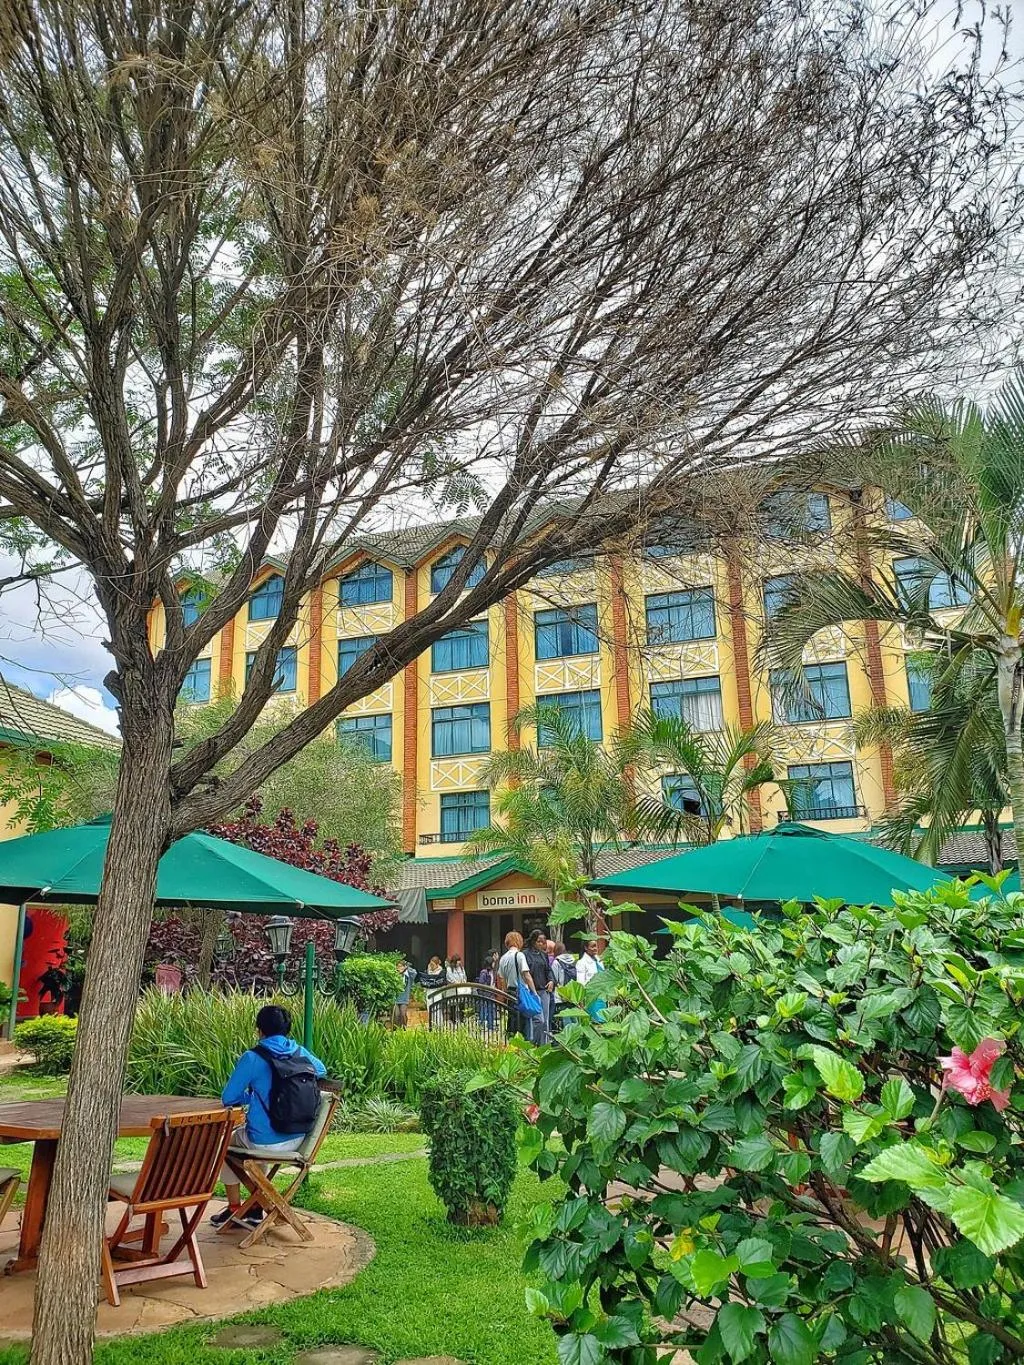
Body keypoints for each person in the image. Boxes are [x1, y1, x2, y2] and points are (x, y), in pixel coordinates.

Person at [213, 1003, 326, 1228]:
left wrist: (251, 1097)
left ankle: (237, 1207)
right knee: (253, 1137)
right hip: (298, 1140)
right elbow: (321, 1071)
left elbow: (229, 1098)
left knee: (228, 1143)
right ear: (288, 1029)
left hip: (264, 1143)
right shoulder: (299, 1052)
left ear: (259, 1029)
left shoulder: (252, 1058)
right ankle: (255, 1207)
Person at [497, 931, 537, 1038]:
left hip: (509, 993)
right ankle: (525, 1046)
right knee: (525, 1022)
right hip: (521, 992)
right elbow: (526, 975)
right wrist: (534, 992)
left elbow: (502, 979)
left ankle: (513, 1044)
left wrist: (504, 994)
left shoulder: (503, 958)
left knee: (513, 1021)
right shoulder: (519, 956)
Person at [524, 928, 554, 1043]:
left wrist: (551, 980)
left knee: (545, 1021)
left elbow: (548, 970)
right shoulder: (525, 954)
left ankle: (544, 1045)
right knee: (538, 1020)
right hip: (532, 991)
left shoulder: (543, 955)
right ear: (533, 941)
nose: (542, 944)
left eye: (543, 941)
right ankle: (533, 1043)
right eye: (539, 941)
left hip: (544, 990)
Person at [550, 941, 577, 1033]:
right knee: (574, 1016)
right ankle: (577, 1035)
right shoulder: (573, 960)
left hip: (561, 994)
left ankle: (569, 1037)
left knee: (566, 1017)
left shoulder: (556, 962)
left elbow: (555, 979)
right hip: (572, 993)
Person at [393, 957, 417, 1028]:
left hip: (404, 997)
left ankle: (404, 1028)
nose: (398, 968)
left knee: (403, 1013)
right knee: (396, 1014)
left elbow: (414, 972)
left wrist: (407, 967)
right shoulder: (394, 975)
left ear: (404, 967)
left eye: (400, 966)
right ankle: (396, 1028)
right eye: (397, 966)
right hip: (395, 998)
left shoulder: (408, 976)